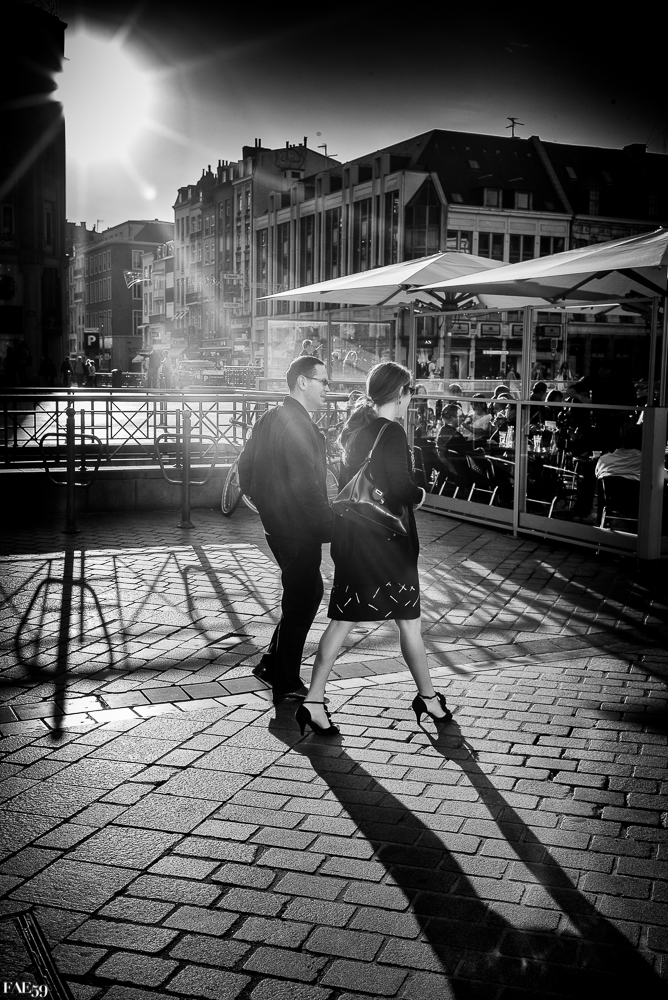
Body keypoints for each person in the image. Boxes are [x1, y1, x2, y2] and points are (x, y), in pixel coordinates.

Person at [297, 361, 452, 736]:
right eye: (409, 391)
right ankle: (428, 698)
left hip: (354, 540)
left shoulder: (358, 429)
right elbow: (399, 486)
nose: (410, 397)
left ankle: (315, 701)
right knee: (409, 622)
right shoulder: (392, 430)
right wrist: (421, 494)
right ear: (399, 393)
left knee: (344, 621)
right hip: (388, 546)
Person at [238, 356, 334, 703]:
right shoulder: (297, 423)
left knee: (305, 592)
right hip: (297, 527)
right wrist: (330, 524)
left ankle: (271, 664)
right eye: (323, 381)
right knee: (303, 596)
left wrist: (264, 503)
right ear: (303, 382)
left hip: (279, 525)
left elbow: (244, 466)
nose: (328, 389)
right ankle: (286, 679)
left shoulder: (270, 416)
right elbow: (306, 486)